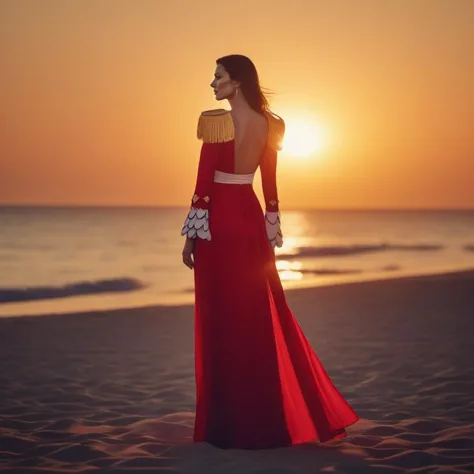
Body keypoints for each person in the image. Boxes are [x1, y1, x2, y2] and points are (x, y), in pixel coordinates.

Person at [181, 54, 359, 450]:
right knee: (258, 316)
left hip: (219, 223)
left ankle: (227, 426)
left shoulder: (216, 121)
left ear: (237, 81)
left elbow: (203, 184)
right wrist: (271, 224)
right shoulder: (271, 124)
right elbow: (271, 185)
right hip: (249, 216)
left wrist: (191, 234)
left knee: (221, 319)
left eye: (218, 76)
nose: (212, 84)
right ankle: (269, 419)